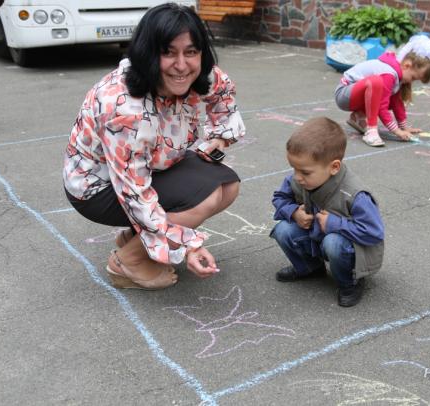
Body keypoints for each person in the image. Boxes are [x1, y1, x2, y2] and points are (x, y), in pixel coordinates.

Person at [62, 3, 245, 290]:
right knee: (205, 196)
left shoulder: (198, 73)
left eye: (191, 51)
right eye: (168, 52)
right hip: (98, 189)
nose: (182, 65)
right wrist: (188, 246)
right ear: (148, 52)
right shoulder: (124, 109)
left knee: (227, 185)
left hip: (152, 164)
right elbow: (135, 194)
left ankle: (134, 241)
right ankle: (127, 262)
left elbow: (222, 93)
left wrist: (219, 138)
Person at [270, 117, 385, 307]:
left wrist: (334, 224)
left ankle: (351, 281)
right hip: (317, 238)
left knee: (334, 242)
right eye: (294, 169)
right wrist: (293, 213)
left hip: (349, 248)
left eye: (305, 172)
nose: (297, 177)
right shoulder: (299, 179)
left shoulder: (355, 194)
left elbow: (374, 232)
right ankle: (310, 268)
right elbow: (279, 198)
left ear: (334, 167)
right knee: (283, 229)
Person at [334, 34, 430, 147]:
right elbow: (381, 107)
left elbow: (397, 103)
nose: (411, 82)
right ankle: (371, 132)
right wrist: (397, 131)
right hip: (344, 95)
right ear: (407, 66)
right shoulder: (389, 74)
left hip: (355, 95)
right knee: (376, 83)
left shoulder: (397, 76)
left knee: (389, 96)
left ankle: (358, 117)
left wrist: (404, 127)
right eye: (413, 78)